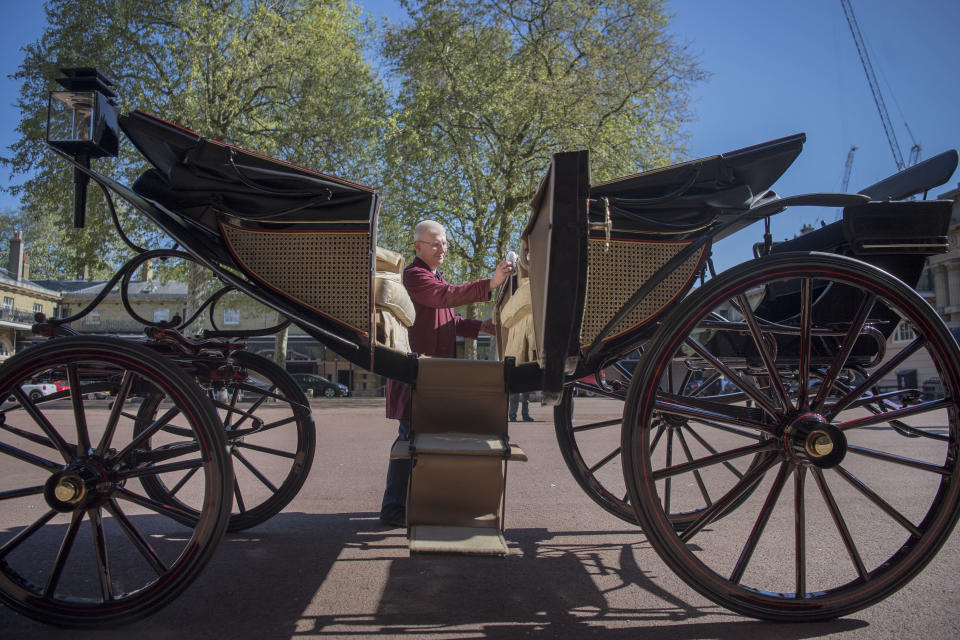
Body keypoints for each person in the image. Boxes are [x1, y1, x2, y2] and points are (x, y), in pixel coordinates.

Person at [380, 220, 514, 528]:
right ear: (418, 247)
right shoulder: (414, 276)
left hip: (430, 375)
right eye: (436, 244)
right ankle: (392, 510)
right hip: (416, 374)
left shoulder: (432, 276)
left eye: (445, 244)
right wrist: (490, 284)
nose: (443, 249)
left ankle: (408, 504)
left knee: (416, 440)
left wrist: (478, 326)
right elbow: (445, 297)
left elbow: (448, 317)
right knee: (409, 439)